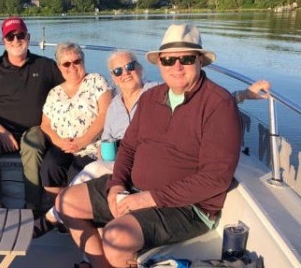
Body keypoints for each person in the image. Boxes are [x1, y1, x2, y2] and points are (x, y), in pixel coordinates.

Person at [55, 23, 243, 268]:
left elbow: (215, 178)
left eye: (185, 59)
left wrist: (148, 199)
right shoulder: (151, 98)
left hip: (187, 207)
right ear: (159, 63)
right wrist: (117, 185)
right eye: (168, 60)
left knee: (116, 237)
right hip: (134, 188)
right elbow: (129, 148)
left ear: (199, 61)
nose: (176, 66)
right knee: (65, 202)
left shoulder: (219, 104)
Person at [33, 50, 270, 239]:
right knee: (82, 170)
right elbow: (112, 140)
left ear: (140, 69)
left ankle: (52, 219)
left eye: (129, 67)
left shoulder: (155, 92)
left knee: (90, 171)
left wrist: (244, 94)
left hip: (143, 170)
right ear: (113, 78)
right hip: (123, 163)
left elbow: (204, 101)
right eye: (117, 71)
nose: (125, 73)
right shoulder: (115, 105)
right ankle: (60, 218)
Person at [0, 17, 64, 211]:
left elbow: (68, 89)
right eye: (10, 36)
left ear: (28, 37)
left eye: (20, 35)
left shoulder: (46, 66)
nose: (16, 40)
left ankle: (32, 206)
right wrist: (1, 132)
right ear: (3, 41)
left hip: (36, 129)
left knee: (31, 145)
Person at [40, 42, 112, 198]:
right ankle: (60, 209)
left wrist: (83, 141)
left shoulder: (96, 81)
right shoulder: (55, 92)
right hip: (63, 146)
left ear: (83, 61)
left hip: (91, 145)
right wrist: (59, 141)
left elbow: (104, 114)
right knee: (50, 167)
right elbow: (45, 125)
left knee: (77, 174)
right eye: (66, 63)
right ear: (59, 67)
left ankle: (76, 214)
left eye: (76, 61)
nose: (72, 67)